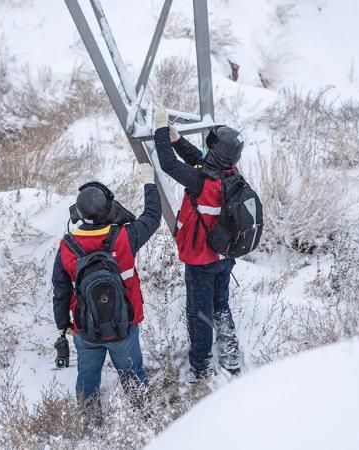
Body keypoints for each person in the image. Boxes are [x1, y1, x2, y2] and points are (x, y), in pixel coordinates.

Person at [52, 163, 160, 409]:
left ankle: (90, 428)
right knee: (134, 378)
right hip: (124, 325)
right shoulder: (126, 236)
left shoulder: (67, 245)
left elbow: (61, 289)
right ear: (108, 210)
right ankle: (145, 421)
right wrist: (149, 182)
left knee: (87, 381)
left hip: (85, 328)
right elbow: (153, 216)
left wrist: (64, 325)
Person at [152, 105, 244, 379]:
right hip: (224, 256)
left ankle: (201, 367)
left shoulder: (201, 182)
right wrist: (176, 139)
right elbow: (199, 160)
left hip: (201, 261)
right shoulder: (232, 174)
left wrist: (158, 130)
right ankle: (231, 358)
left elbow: (168, 165)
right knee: (221, 305)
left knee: (199, 313)